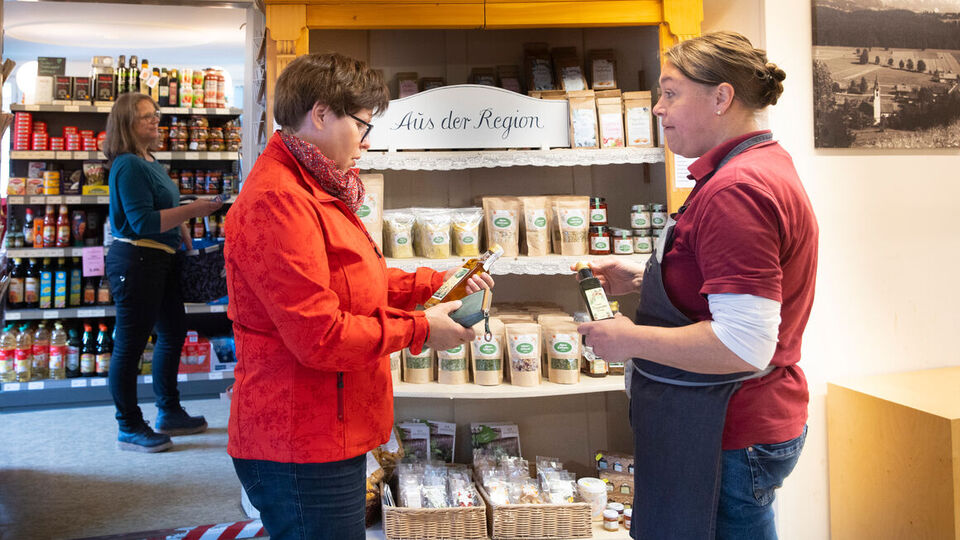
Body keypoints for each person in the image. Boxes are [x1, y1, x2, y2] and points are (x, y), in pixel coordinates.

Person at [224, 52, 492, 540]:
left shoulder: (314, 187)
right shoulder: (279, 201)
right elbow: (319, 335)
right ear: (321, 114)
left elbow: (354, 281)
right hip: (299, 441)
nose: (366, 144)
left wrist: (436, 282)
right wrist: (422, 330)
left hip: (326, 427)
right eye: (364, 126)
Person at [576, 32, 818, 539]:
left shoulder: (737, 190)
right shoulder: (756, 165)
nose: (658, 109)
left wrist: (629, 340)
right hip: (730, 423)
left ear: (722, 97)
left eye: (670, 93)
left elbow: (744, 343)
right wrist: (646, 279)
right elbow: (734, 286)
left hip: (725, 430)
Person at [103, 93, 223, 452]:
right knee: (129, 346)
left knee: (173, 333)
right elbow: (140, 221)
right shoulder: (127, 165)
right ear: (127, 125)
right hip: (137, 262)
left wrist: (183, 229)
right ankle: (128, 425)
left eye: (155, 114)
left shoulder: (150, 161)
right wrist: (192, 211)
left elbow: (163, 209)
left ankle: (169, 411)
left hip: (161, 259)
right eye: (146, 117)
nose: (156, 121)